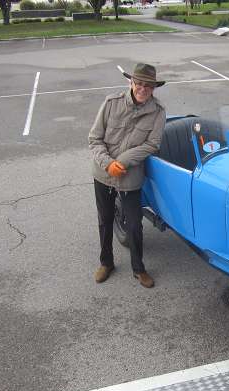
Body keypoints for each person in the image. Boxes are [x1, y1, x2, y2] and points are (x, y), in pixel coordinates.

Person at [89, 63, 166, 286]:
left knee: (134, 224)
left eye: (148, 86)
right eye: (139, 83)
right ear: (131, 83)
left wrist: (122, 161)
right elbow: (94, 139)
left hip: (130, 176)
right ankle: (106, 262)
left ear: (154, 88)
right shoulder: (111, 103)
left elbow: (153, 144)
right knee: (105, 220)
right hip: (103, 173)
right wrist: (108, 163)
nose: (143, 88)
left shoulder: (158, 112)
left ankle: (138, 268)